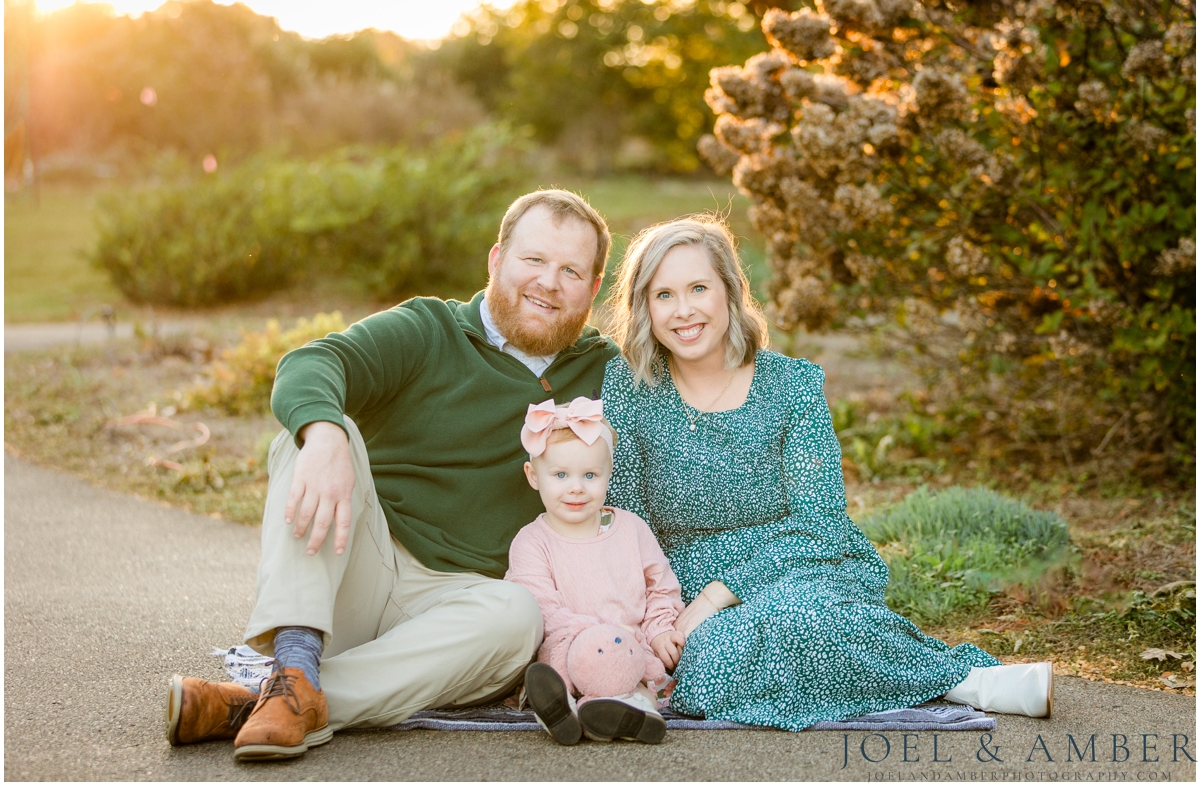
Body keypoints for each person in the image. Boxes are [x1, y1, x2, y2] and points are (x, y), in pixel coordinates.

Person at [164, 189, 620, 762]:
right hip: (356, 567)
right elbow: (312, 363)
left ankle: (271, 699)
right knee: (313, 434)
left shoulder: (609, 375)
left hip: (458, 611)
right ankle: (298, 657)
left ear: (593, 288)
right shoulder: (428, 328)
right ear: (496, 260)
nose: (548, 283)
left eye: (570, 270)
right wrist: (327, 435)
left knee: (519, 616)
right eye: (533, 261)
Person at [601, 215, 1055, 731]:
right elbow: (626, 521)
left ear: (729, 290)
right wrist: (661, 613)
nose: (683, 311)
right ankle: (955, 682)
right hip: (678, 578)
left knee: (806, 619)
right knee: (714, 661)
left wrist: (717, 595)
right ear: (645, 308)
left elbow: (820, 521)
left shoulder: (794, 385)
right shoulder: (629, 387)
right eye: (663, 295)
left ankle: (966, 681)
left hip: (799, 561)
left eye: (698, 288)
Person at [504, 396, 683, 746]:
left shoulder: (631, 529)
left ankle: (634, 715)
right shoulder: (531, 541)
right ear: (534, 476)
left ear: (608, 474)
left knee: (637, 679)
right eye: (560, 475)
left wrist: (660, 628)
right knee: (556, 672)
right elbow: (541, 608)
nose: (576, 487)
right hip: (568, 648)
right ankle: (561, 712)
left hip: (628, 645)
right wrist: (594, 635)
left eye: (589, 475)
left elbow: (661, 585)